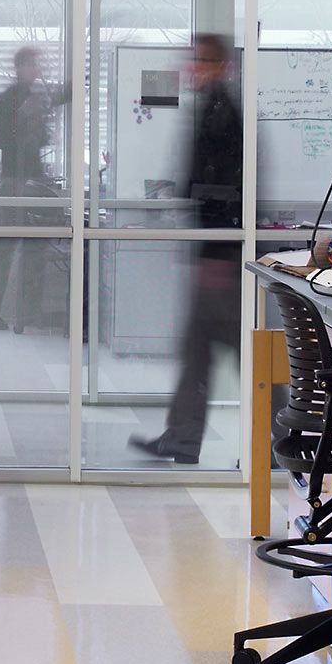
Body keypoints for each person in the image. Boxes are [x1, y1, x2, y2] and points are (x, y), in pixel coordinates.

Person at [131, 34, 243, 466]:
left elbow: (225, 190)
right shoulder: (211, 108)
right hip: (214, 251)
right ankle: (181, 439)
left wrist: (217, 255)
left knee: (242, 352)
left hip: (221, 256)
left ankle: (279, 439)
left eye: (199, 61)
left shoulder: (222, 114)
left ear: (220, 66)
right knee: (198, 351)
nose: (190, 68)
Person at [0, 45, 62, 331]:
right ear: (21, 67)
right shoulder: (10, 100)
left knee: (35, 248)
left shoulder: (36, 99)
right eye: (34, 64)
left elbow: (41, 136)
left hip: (31, 180)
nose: (38, 70)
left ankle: (28, 314)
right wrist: (22, 117)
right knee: (6, 247)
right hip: (14, 181)